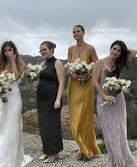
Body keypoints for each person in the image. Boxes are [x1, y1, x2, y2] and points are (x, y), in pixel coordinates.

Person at [93, 40, 137, 167]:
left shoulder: (118, 64)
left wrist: (124, 51)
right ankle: (115, 161)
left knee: (120, 130)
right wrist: (104, 95)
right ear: (110, 48)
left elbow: (134, 52)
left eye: (119, 51)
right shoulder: (99, 63)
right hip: (104, 101)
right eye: (114, 49)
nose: (116, 52)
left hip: (118, 100)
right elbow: (95, 82)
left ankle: (123, 161)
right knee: (109, 131)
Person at [0, 41, 33, 167]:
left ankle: (14, 160)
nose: (7, 53)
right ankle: (3, 159)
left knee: (13, 127)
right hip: (2, 98)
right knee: (2, 127)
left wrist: (12, 61)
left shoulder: (20, 64)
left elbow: (16, 77)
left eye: (10, 50)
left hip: (15, 98)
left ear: (14, 51)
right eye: (5, 51)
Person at [67, 25, 101, 160]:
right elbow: (68, 66)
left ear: (83, 33)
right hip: (74, 85)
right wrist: (74, 75)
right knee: (75, 117)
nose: (75, 33)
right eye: (73, 32)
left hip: (86, 86)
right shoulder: (70, 49)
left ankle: (87, 149)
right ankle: (81, 147)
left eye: (78, 31)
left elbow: (97, 64)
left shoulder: (90, 48)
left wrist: (88, 76)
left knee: (85, 117)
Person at [36, 41, 65, 163]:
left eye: (44, 49)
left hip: (53, 99)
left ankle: (54, 152)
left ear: (51, 49)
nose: (42, 52)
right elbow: (39, 81)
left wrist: (58, 99)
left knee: (52, 126)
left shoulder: (57, 63)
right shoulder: (42, 64)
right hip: (41, 98)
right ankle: (47, 151)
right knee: (43, 126)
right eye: (41, 50)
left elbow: (62, 82)